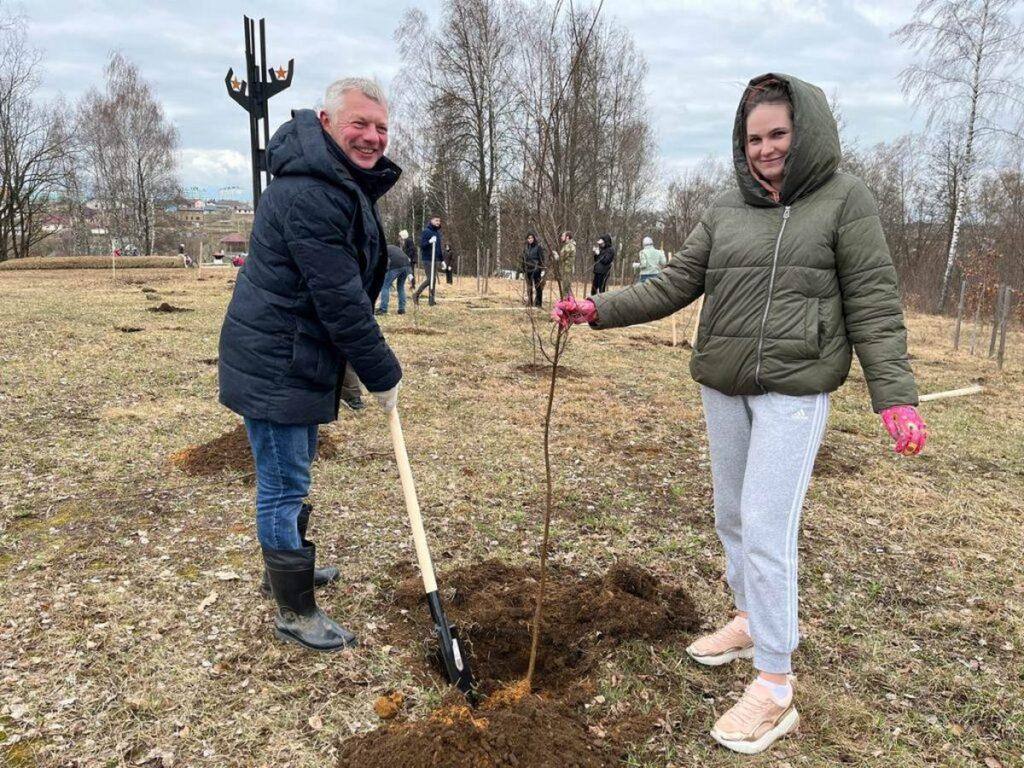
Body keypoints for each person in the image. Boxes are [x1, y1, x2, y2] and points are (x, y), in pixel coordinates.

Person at [553, 73, 929, 755]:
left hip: (796, 386)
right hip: (723, 382)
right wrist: (598, 309)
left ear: (804, 131)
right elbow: (674, 282)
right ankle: (754, 617)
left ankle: (777, 687)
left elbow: (874, 300)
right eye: (754, 137)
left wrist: (895, 396)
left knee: (765, 525)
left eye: (778, 134)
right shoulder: (726, 208)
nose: (765, 149)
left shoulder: (846, 199)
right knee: (731, 514)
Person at [218, 77, 403, 653]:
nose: (372, 137)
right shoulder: (311, 192)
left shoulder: (333, 181)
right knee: (283, 485)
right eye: (359, 124)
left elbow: (335, 272)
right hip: (277, 360)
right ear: (326, 122)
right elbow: (339, 298)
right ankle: (295, 610)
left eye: (381, 127)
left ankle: (284, 572)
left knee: (288, 481)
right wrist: (383, 373)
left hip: (290, 352)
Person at [413, 216, 446, 306]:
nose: (438, 222)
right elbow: (421, 245)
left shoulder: (437, 233)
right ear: (431, 221)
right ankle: (416, 294)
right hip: (427, 259)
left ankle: (431, 300)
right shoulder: (426, 231)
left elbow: (438, 248)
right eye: (436, 220)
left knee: (433, 280)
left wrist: (442, 260)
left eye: (439, 220)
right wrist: (429, 242)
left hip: (435, 259)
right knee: (430, 279)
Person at [377, 240, 411, 315]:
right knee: (400, 287)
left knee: (385, 286)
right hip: (406, 266)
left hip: (396, 266)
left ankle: (383, 309)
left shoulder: (382, 251)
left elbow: (386, 263)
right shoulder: (392, 247)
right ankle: (402, 309)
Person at [522, 231, 546, 307]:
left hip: (536, 269)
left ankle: (538, 304)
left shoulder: (538, 247)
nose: (530, 239)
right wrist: (522, 269)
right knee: (529, 287)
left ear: (534, 238)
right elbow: (523, 259)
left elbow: (542, 259)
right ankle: (530, 302)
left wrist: (541, 269)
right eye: (528, 238)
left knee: (537, 287)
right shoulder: (526, 248)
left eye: (531, 238)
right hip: (528, 269)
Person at [554, 231, 576, 297]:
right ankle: (569, 302)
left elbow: (562, 257)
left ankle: (567, 303)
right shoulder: (567, 245)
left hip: (568, 270)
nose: (561, 237)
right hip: (566, 269)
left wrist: (557, 256)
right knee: (567, 287)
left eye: (563, 236)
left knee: (566, 288)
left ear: (567, 237)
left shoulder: (570, 246)